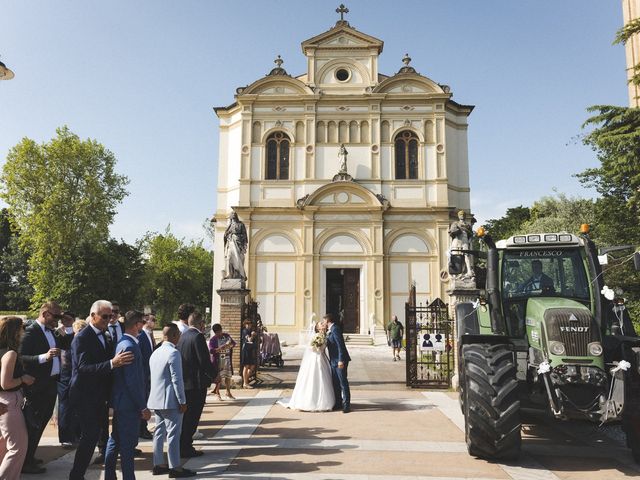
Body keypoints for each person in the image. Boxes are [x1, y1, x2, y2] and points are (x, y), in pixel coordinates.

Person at [68, 300, 134, 480]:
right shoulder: (82, 338)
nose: (109, 319)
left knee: (98, 435)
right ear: (93, 316)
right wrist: (112, 363)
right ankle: (76, 475)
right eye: (105, 316)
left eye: (111, 315)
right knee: (89, 436)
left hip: (99, 396)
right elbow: (83, 368)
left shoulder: (105, 335)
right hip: (84, 395)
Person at [19, 301, 72, 474]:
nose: (58, 320)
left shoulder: (53, 331)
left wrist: (69, 325)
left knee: (41, 423)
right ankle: (25, 462)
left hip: (50, 384)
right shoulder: (30, 332)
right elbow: (20, 357)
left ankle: (30, 455)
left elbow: (66, 343)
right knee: (33, 424)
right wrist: (43, 357)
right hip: (36, 386)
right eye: (55, 316)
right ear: (45, 314)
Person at [104, 310, 151, 480]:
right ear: (137, 325)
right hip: (129, 404)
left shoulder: (122, 342)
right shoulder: (130, 345)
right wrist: (142, 406)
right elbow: (133, 381)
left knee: (115, 440)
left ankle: (110, 475)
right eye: (142, 323)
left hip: (121, 402)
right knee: (127, 445)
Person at [148, 324, 195, 478]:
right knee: (174, 434)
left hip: (156, 398)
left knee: (159, 433)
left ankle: (158, 463)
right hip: (170, 400)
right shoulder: (173, 353)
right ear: (175, 336)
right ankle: (175, 467)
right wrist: (182, 400)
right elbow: (177, 380)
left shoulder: (156, 352)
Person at [0, 316, 35, 479]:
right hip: (9, 402)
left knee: (3, 446)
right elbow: (6, 383)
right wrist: (23, 379)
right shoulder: (10, 353)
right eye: (22, 328)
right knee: (18, 447)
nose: (24, 331)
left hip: (5, 402)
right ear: (15, 331)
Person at [177, 311, 215, 458]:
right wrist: (214, 375)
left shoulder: (183, 336)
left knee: (186, 417)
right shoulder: (198, 336)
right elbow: (204, 361)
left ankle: (183, 444)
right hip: (196, 383)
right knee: (192, 417)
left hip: (185, 382)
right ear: (200, 324)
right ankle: (186, 446)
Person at [280, 319, 334, 412]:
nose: (323, 324)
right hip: (315, 359)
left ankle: (323, 400)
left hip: (322, 358)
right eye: (321, 324)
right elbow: (311, 347)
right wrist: (317, 347)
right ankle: (310, 401)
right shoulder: (316, 336)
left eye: (323, 323)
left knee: (323, 378)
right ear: (317, 328)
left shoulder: (325, 335)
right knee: (313, 377)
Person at [58, 311, 80, 448]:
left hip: (74, 373)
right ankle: (65, 437)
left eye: (68, 318)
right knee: (65, 407)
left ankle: (75, 434)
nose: (65, 321)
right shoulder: (57, 333)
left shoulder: (74, 334)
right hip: (64, 375)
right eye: (63, 319)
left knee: (74, 407)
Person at [325, 313, 351, 413]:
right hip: (333, 361)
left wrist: (341, 360)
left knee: (343, 383)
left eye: (324, 321)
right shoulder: (330, 330)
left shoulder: (335, 329)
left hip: (340, 361)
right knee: (335, 383)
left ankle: (346, 404)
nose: (323, 323)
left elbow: (340, 345)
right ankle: (338, 403)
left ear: (327, 321)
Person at [137, 315, 154, 440]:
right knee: (142, 402)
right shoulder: (141, 335)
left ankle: (142, 428)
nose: (153, 322)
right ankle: (141, 429)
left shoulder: (147, 334)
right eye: (150, 320)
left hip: (147, 374)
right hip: (142, 375)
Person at [209, 324, 236, 400]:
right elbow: (211, 351)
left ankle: (228, 392)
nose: (219, 333)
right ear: (215, 332)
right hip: (218, 360)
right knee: (219, 377)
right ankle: (217, 393)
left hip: (227, 359)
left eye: (220, 331)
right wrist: (222, 347)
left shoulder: (226, 336)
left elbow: (233, 344)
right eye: (217, 332)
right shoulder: (213, 340)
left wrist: (229, 345)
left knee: (228, 376)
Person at [448, 210, 475, 280]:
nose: (462, 216)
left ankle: (469, 271)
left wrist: (469, 240)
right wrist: (456, 231)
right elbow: (451, 232)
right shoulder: (455, 223)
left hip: (465, 240)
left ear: (465, 216)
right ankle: (457, 272)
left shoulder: (468, 225)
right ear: (458, 216)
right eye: (460, 215)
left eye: (463, 215)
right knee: (457, 255)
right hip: (457, 240)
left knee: (466, 255)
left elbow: (471, 235)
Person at [223, 211, 248, 280]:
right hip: (230, 243)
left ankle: (238, 274)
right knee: (229, 258)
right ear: (230, 216)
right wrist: (227, 235)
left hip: (237, 244)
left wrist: (238, 237)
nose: (233, 214)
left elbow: (244, 235)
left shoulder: (241, 224)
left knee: (237, 258)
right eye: (232, 213)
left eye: (234, 213)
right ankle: (230, 274)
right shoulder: (229, 226)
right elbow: (225, 235)